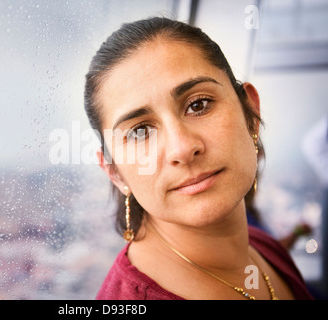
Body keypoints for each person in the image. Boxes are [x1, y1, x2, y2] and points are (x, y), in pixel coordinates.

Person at [84, 17, 314, 300]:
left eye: (198, 105)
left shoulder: (263, 248)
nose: (182, 148)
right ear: (115, 172)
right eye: (140, 131)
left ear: (251, 114)